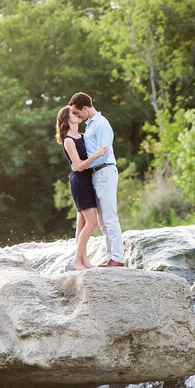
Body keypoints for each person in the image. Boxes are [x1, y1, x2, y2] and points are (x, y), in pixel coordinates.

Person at [68, 92, 125, 267]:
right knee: (102, 220)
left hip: (105, 170)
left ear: (85, 108)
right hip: (95, 173)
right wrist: (85, 165)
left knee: (109, 217)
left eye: (78, 113)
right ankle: (111, 257)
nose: (77, 116)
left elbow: (104, 153)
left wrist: (82, 165)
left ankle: (118, 258)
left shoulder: (101, 124)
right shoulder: (90, 126)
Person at [56, 105, 110, 270]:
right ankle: (76, 260)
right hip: (79, 182)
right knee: (92, 222)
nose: (78, 114)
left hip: (88, 181)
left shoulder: (81, 135)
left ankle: (84, 261)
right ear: (66, 118)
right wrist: (96, 155)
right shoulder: (68, 140)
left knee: (81, 224)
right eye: (73, 113)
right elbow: (78, 166)